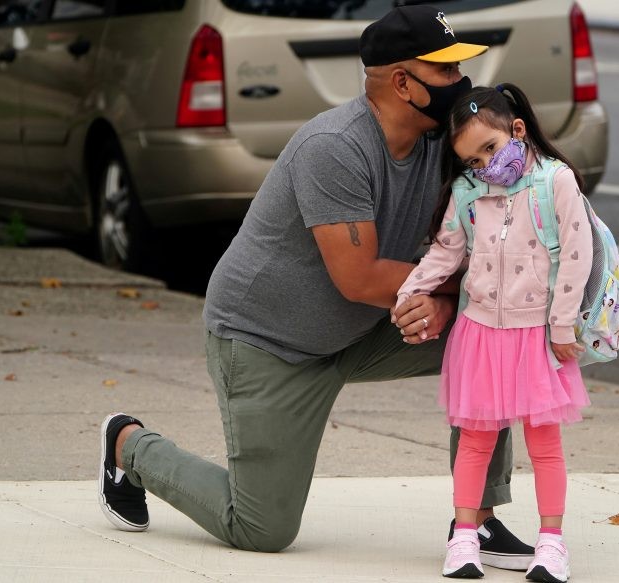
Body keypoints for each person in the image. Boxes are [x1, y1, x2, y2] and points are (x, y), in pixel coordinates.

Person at [96, 4, 535, 570]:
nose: (461, 83)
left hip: (363, 329)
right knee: (260, 528)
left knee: (493, 336)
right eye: (446, 72)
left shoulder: (441, 145)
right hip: (267, 343)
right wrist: (454, 293)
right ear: (403, 83)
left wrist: (464, 298)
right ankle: (128, 445)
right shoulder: (334, 147)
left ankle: (477, 518)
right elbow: (361, 278)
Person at [394, 84, 593, 581]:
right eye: (472, 160)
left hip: (538, 336)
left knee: (544, 442)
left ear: (517, 130)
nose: (485, 165)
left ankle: (552, 544)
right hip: (480, 332)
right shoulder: (468, 192)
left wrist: (563, 322)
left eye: (490, 149)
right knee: (475, 441)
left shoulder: (555, 181)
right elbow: (445, 251)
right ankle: (464, 539)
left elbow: (576, 253)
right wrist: (409, 291)